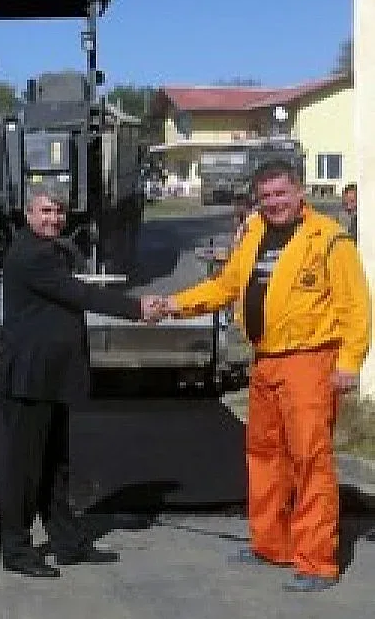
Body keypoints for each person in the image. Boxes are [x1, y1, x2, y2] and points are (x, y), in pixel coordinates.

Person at [146, 159, 371, 592]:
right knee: (265, 455)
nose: (274, 203)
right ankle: (270, 544)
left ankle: (317, 560)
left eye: (281, 194)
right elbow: (226, 287)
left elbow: (356, 307)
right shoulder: (253, 235)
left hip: (310, 361)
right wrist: (175, 305)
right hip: (265, 361)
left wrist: (349, 363)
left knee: (310, 460)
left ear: (299, 191)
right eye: (266, 197)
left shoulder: (329, 240)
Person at [0, 180, 159, 578]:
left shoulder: (50, 250)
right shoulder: (30, 256)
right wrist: (137, 307)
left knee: (56, 464)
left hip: (51, 375)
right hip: (29, 377)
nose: (54, 219)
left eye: (59, 212)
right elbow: (79, 295)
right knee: (25, 469)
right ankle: (15, 550)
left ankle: (66, 542)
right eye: (45, 212)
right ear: (28, 214)